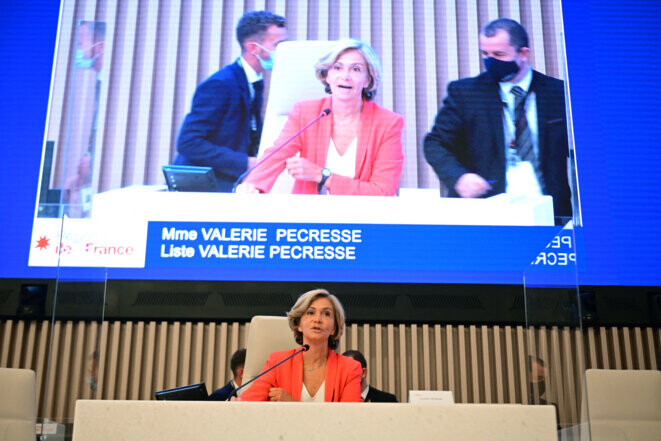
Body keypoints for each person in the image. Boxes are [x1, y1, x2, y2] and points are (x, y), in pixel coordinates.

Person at [423, 18, 572, 220]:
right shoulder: (466, 93)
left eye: (499, 54)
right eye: (485, 54)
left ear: (523, 53)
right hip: (485, 211)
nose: (490, 61)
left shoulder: (560, 93)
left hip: (549, 212)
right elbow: (435, 143)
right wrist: (459, 177)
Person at [240, 39, 404, 196]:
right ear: (327, 75)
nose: (345, 76)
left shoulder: (388, 123)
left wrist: (323, 175)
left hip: (362, 219)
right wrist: (253, 186)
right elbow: (276, 154)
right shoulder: (306, 113)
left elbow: (382, 192)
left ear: (368, 80)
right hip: (309, 217)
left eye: (356, 69)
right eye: (337, 68)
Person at [174, 11, 287, 192]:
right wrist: (245, 162)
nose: (284, 50)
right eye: (278, 45)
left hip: (226, 184)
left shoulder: (253, 81)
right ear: (253, 48)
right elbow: (189, 142)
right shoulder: (220, 84)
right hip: (201, 189)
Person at [239, 289, 362, 402]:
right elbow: (248, 402)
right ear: (299, 324)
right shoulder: (278, 362)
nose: (317, 319)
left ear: (334, 328)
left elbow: (348, 420)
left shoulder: (350, 369)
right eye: (310, 312)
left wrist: (293, 404)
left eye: (326, 314)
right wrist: (235, 404)